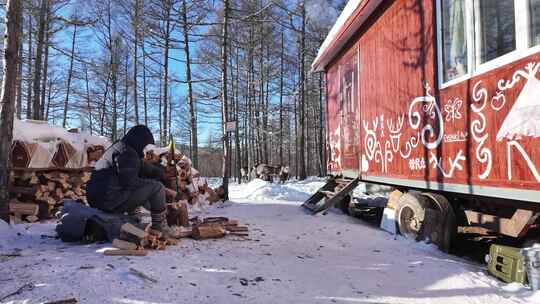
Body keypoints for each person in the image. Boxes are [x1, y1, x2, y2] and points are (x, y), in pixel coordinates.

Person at [86, 125, 178, 237]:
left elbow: (141, 166)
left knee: (145, 186)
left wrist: (162, 173)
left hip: (97, 199)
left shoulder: (120, 148)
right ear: (139, 141)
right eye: (144, 143)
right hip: (109, 201)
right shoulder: (128, 154)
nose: (144, 147)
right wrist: (160, 192)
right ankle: (160, 227)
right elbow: (130, 183)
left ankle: (134, 216)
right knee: (156, 187)